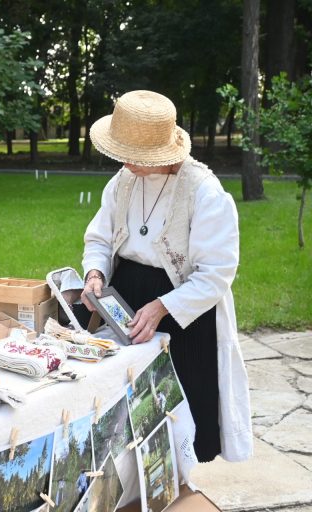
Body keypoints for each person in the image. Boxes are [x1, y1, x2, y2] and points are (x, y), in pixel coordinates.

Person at [80, 90, 252, 463]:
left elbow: (216, 273)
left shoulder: (204, 192)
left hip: (183, 310)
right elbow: (99, 236)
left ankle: (179, 487)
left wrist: (161, 307)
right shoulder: (123, 181)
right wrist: (95, 272)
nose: (126, 162)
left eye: (136, 156)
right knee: (125, 407)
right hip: (126, 295)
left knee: (177, 410)